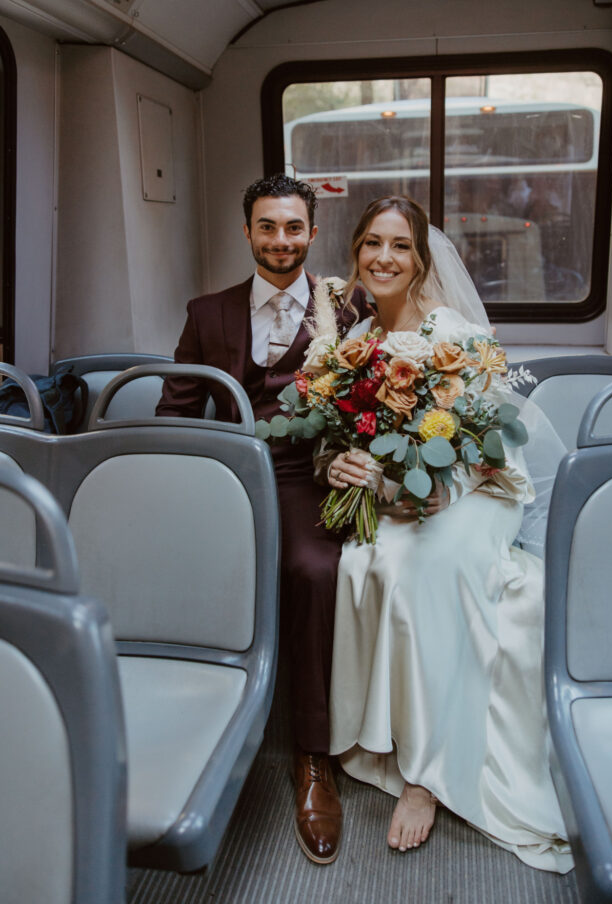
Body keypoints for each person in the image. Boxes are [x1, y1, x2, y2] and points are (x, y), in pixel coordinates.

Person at [323, 195, 573, 873]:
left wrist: (408, 483)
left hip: (477, 484)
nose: (383, 257)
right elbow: (347, 433)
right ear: (355, 253)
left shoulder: (453, 335)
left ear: (420, 260)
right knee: (362, 561)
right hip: (397, 487)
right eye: (372, 243)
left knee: (433, 569)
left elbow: (478, 449)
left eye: (399, 245)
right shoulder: (351, 343)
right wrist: (342, 461)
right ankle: (377, 732)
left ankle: (425, 778)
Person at [156, 174, 369, 865]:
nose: (281, 241)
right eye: (268, 227)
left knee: (312, 569)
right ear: (246, 232)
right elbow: (177, 411)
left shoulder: (350, 304)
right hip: (228, 469)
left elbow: (372, 402)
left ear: (312, 234)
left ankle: (311, 755)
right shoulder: (207, 311)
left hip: (307, 470)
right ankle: (185, 729)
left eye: (293, 228)